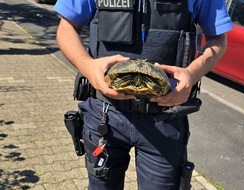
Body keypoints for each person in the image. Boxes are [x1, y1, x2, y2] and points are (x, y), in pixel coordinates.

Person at [54, 0, 233, 189]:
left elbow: (218, 39)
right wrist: (88, 66)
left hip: (165, 116)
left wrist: (192, 74)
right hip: (105, 115)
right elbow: (66, 28)